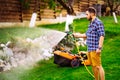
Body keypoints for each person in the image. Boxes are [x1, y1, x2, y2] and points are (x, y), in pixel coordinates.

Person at [73, 7, 105, 80]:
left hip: (95, 48)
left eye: (87, 14)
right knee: (93, 66)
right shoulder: (90, 24)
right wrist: (77, 35)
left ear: (92, 14)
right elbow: (86, 35)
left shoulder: (98, 22)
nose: (86, 16)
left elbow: (102, 35)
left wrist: (99, 48)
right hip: (90, 49)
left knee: (98, 66)